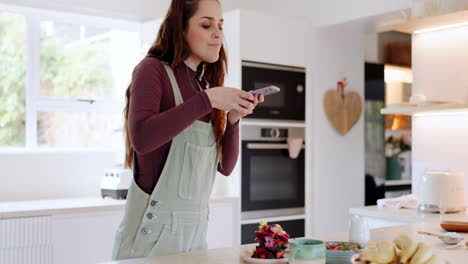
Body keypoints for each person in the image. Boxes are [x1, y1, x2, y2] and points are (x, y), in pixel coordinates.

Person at [111, 0, 264, 260]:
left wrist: (234, 119)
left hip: (194, 239)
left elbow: (225, 167)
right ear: (180, 29)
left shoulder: (201, 86)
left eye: (220, 25)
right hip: (150, 243)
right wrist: (209, 100)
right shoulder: (152, 71)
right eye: (206, 25)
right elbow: (142, 138)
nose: (218, 34)